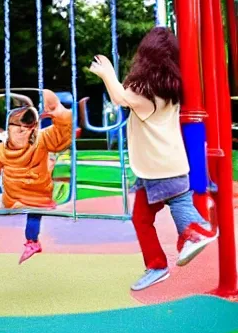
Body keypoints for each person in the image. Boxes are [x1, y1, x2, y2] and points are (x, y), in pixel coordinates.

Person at [89, 26, 217, 291]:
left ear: (146, 53)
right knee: (144, 217)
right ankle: (158, 264)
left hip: (160, 167)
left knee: (177, 204)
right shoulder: (170, 86)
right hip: (163, 164)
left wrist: (107, 73)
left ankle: (196, 230)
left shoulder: (146, 88)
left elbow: (120, 98)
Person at [0, 90, 72, 264]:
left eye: (27, 127)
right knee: (19, 210)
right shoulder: (2, 149)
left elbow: (62, 134)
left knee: (34, 212)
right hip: (14, 197)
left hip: (37, 194)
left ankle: (32, 241)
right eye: (17, 126)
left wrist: (59, 113)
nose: (22, 130)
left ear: (34, 129)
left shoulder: (41, 140)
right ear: (9, 128)